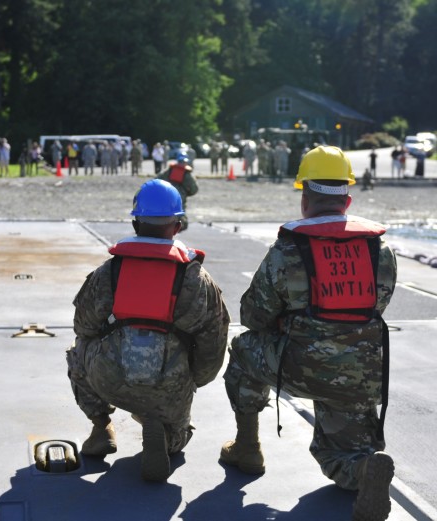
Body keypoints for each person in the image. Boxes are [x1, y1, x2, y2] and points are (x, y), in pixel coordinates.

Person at [221, 146, 397, 521]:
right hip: (361, 375)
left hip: (299, 367)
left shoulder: (287, 251)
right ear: (347, 201)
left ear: (305, 200)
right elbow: (376, 307)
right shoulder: (380, 251)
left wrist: (292, 323)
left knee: (242, 347)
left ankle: (248, 445)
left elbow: (253, 316)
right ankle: (365, 471)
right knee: (338, 457)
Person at [66, 179, 230, 482]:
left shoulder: (109, 272)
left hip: (110, 380)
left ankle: (101, 426)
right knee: (180, 437)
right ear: (178, 225)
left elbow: (83, 327)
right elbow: (213, 344)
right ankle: (168, 437)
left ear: (135, 222)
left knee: (78, 350)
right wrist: (193, 380)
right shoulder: (196, 279)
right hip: (171, 385)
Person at [156, 153, 198, 231]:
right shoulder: (187, 174)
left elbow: (157, 180)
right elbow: (194, 189)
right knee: (180, 218)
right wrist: (186, 193)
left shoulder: (168, 171)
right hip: (179, 199)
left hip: (167, 197)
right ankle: (176, 229)